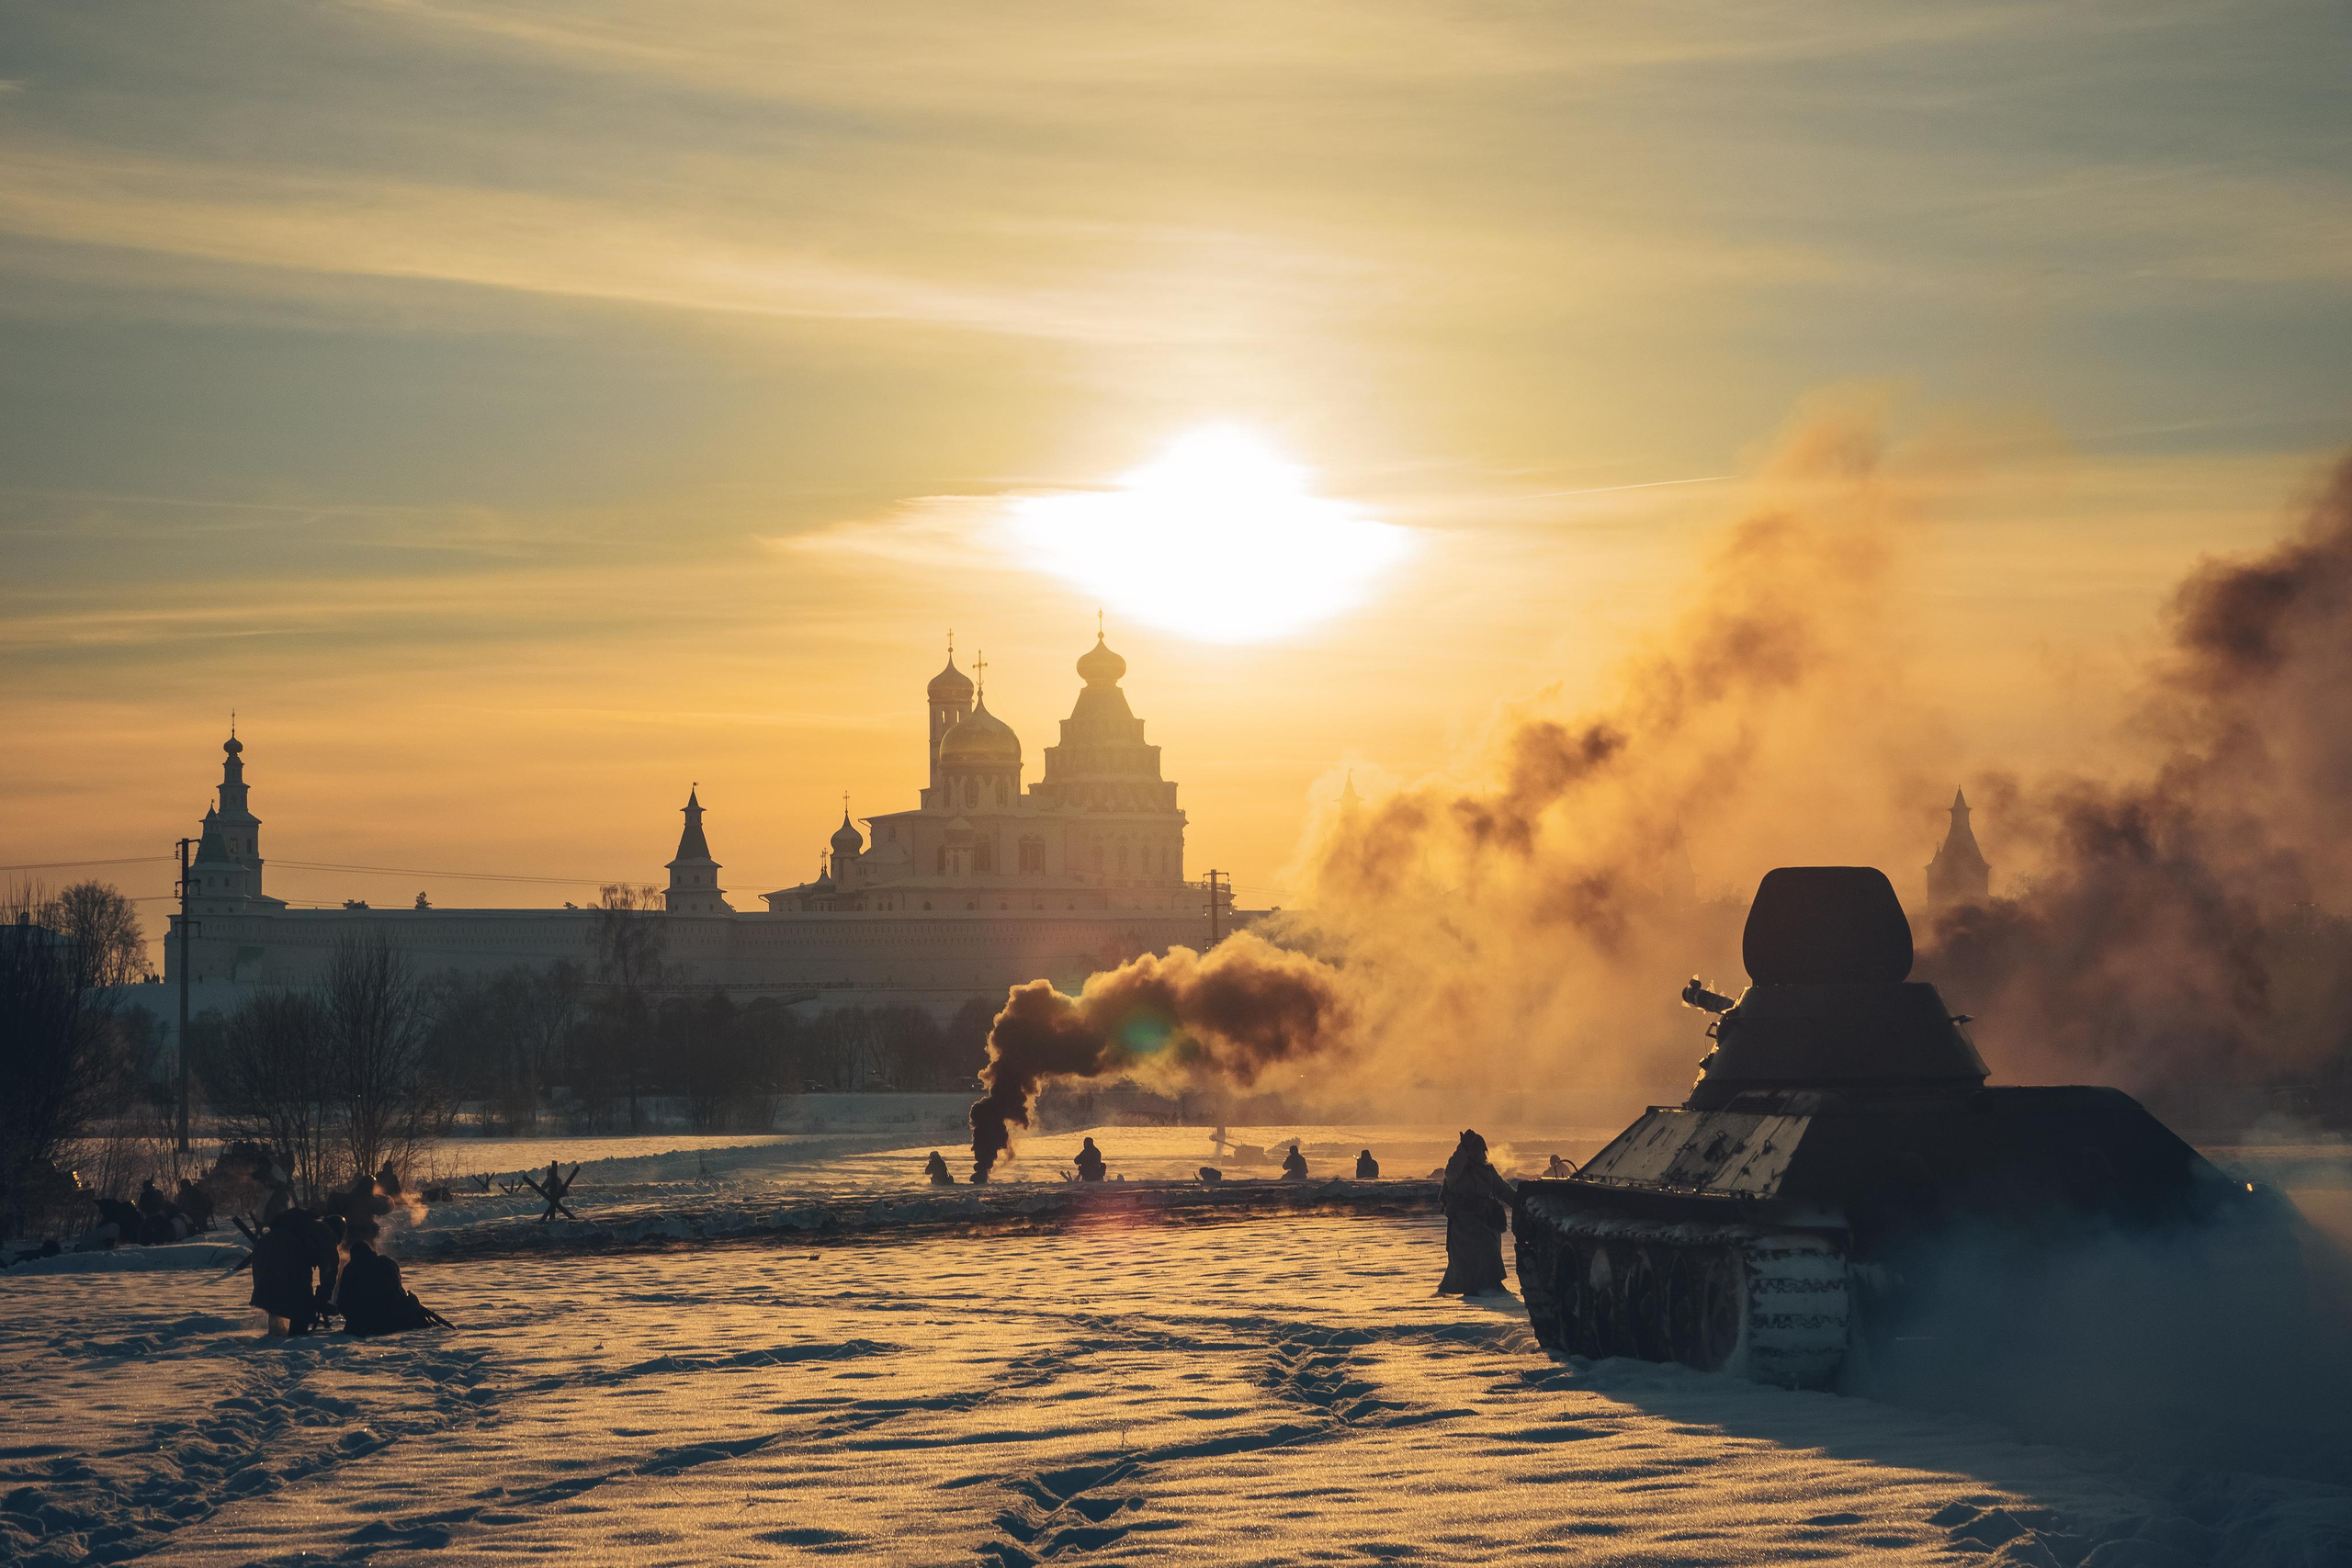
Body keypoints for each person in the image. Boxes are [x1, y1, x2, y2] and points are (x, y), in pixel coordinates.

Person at [1438, 1129, 1517, 1297]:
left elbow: (1502, 1189)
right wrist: (1462, 1148)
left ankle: (1492, 1286)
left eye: (1481, 1151)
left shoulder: (1487, 1170)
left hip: (1485, 1217)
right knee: (1475, 1253)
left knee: (1490, 1250)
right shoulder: (1458, 1169)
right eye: (1474, 1150)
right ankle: (1475, 1289)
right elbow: (1450, 1172)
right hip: (1464, 1221)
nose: (1478, 1154)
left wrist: (1521, 1202)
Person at [336, 1218, 441, 1338]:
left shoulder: (350, 1269)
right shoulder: (386, 1263)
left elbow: (343, 1302)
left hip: (363, 1321)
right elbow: (398, 1291)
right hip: (391, 1315)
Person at [251, 1208, 334, 1336]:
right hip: (287, 1251)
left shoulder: (302, 1228)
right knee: (301, 1304)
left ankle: (276, 1337)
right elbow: (329, 1268)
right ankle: (296, 1341)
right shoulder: (327, 1234)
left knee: (274, 1298)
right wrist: (324, 1297)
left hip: (263, 1247)